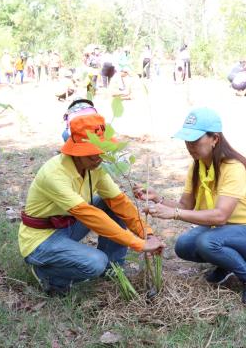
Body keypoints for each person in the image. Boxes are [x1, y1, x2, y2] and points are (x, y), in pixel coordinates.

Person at [133, 108, 246, 306]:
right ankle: (227, 264)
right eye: (187, 140)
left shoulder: (233, 167)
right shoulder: (198, 164)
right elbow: (185, 205)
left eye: (195, 140)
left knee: (207, 241)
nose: (189, 146)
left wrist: (174, 214)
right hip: (227, 230)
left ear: (215, 139)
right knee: (183, 246)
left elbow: (219, 216)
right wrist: (158, 199)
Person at [19, 113, 166, 295]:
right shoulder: (54, 174)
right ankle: (48, 274)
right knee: (95, 262)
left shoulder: (95, 167)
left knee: (109, 203)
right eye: (91, 154)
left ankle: (113, 269)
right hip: (41, 239)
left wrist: (147, 233)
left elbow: (120, 203)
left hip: (68, 225)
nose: (98, 158)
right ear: (76, 150)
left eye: (101, 152)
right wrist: (138, 244)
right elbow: (90, 215)